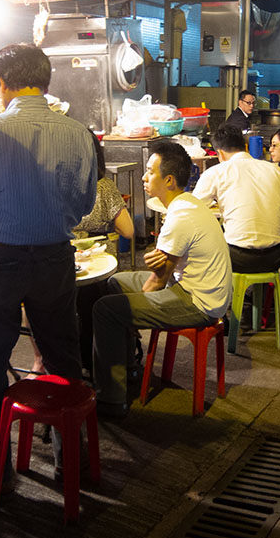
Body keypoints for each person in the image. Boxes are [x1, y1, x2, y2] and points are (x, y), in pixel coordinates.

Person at [0, 43, 96, 493]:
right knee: (64, 360)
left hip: (0, 260)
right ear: (47, 83)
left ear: (0, 83)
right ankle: (72, 466)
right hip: (55, 259)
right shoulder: (77, 133)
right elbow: (84, 204)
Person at [93, 141, 232, 418]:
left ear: (168, 180)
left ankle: (111, 400)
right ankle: (130, 364)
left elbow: (157, 281)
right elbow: (161, 270)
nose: (144, 177)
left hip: (198, 301)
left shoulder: (179, 217)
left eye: (149, 172)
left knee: (105, 310)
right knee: (115, 284)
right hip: (189, 286)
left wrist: (133, 308)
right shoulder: (188, 203)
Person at [193, 125, 280, 273]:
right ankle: (257, 294)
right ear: (245, 147)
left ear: (220, 153)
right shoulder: (276, 171)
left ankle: (221, 294)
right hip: (276, 256)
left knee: (200, 244)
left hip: (238, 257)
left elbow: (192, 209)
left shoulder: (216, 172)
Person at [74, 134, 136, 375]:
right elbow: (129, 231)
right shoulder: (104, 186)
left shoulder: (55, 184)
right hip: (97, 265)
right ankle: (100, 362)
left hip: (61, 260)